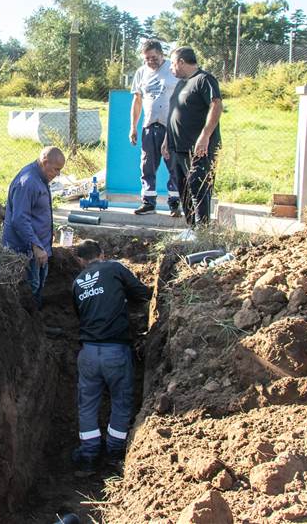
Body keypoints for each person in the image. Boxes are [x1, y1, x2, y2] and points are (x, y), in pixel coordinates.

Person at [70, 239, 151, 472]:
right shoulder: (114, 268)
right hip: (115, 351)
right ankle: (115, 451)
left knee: (87, 403)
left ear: (80, 260)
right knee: (121, 401)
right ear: (102, 254)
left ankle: (88, 453)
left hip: (87, 354)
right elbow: (141, 293)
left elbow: (79, 314)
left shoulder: (76, 283)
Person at [161, 46, 222, 227]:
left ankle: (201, 232)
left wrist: (204, 136)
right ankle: (191, 229)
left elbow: (216, 105)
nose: (171, 68)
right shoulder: (181, 84)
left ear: (181, 61)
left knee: (198, 189)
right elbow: (174, 113)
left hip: (197, 149)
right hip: (177, 148)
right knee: (184, 191)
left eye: (172, 63)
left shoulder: (204, 80)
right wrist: (166, 140)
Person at [3, 146, 66, 310]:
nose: (58, 174)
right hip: (26, 250)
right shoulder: (28, 182)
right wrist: (36, 246)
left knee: (38, 286)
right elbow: (19, 219)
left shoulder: (41, 179)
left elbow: (37, 212)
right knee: (31, 288)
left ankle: (38, 323)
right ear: (45, 162)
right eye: (56, 169)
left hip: (40, 247)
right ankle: (31, 326)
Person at [129, 39, 180, 217]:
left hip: (171, 127)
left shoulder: (173, 70)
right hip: (150, 126)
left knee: (174, 165)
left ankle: (175, 203)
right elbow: (137, 101)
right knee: (147, 166)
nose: (150, 61)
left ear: (161, 54)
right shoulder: (141, 73)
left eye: (153, 57)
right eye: (147, 58)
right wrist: (133, 127)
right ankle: (148, 202)